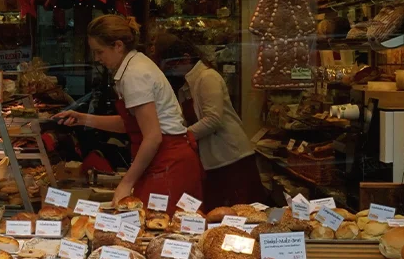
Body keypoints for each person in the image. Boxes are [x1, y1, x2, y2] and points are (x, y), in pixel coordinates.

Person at [55, 15, 203, 208]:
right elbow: (133, 124)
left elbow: (152, 137)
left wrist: (126, 183)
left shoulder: (134, 74)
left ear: (118, 45)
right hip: (166, 159)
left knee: (160, 227)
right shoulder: (134, 65)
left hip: (168, 162)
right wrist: (84, 119)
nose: (97, 59)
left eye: (99, 52)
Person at [150, 32, 266, 209]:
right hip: (212, 161)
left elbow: (213, 119)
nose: (169, 71)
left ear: (186, 59)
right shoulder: (186, 86)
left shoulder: (207, 78)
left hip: (231, 158)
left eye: (171, 66)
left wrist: (182, 137)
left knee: (242, 213)